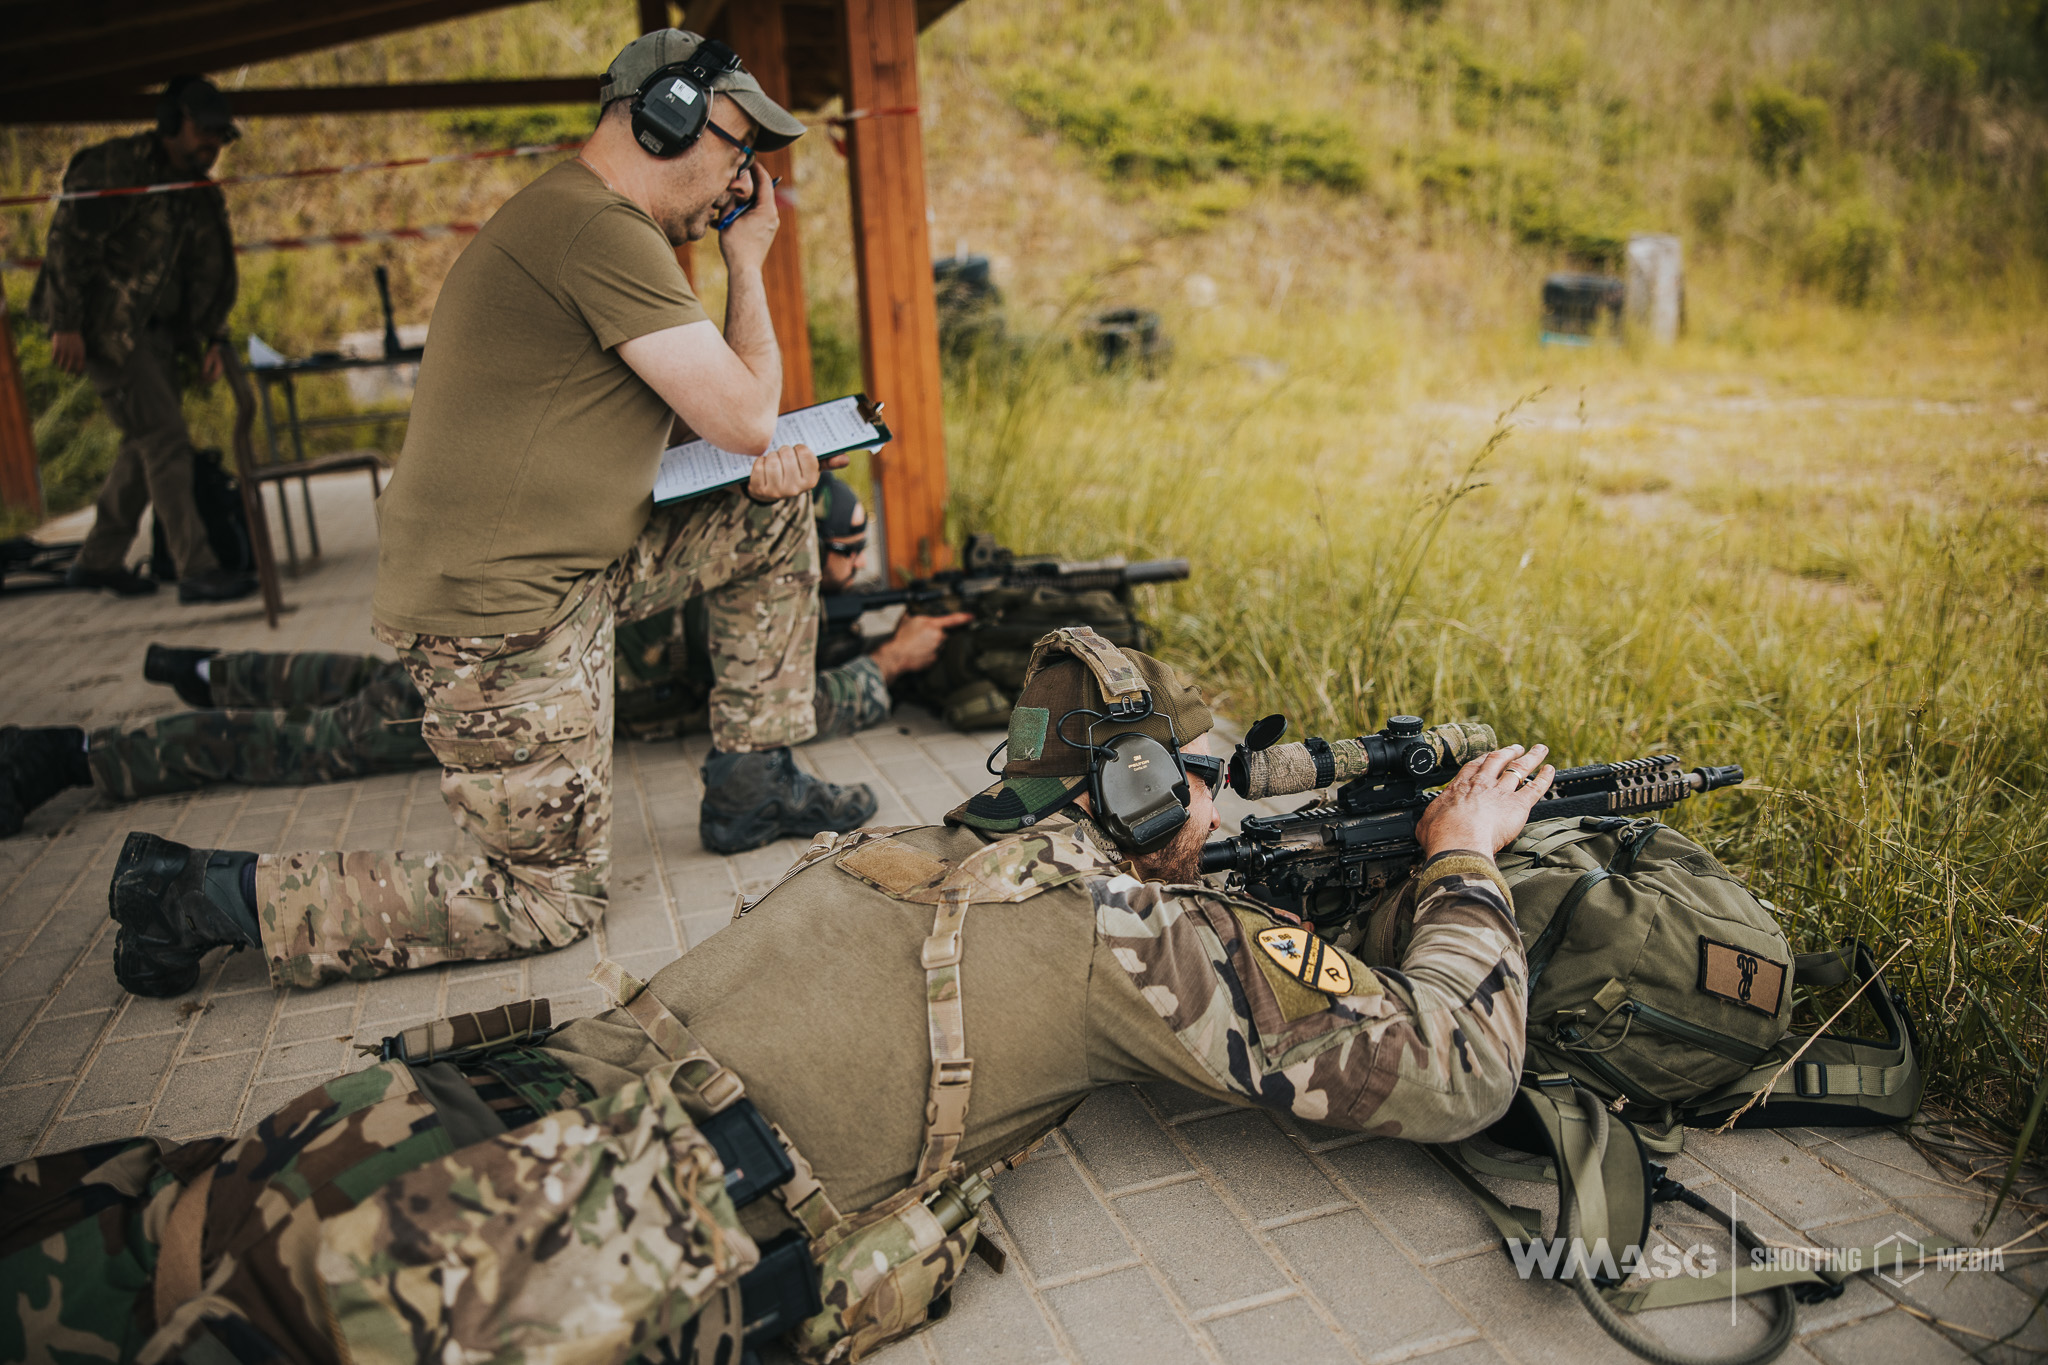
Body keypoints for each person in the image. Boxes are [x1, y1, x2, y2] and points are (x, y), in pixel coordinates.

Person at [0, 629, 1552, 1364]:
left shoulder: (902, 843)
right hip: (504, 1252)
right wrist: (1463, 862)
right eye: (1202, 781)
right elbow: (1452, 1064)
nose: (1220, 805)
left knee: (117, 1242)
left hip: (411, 1121)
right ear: (1142, 797)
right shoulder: (1122, 941)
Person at [99, 29, 884, 999]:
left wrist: (751, 461)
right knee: (547, 900)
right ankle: (200, 894)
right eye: (735, 146)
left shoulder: (588, 224)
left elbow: (706, 426)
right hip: (499, 618)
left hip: (570, 570)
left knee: (771, 517)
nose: (740, 177)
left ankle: (753, 780)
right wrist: (749, 263)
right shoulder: (599, 230)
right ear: (666, 118)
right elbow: (746, 416)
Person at [0, 480, 971, 841]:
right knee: (313, 745)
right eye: (837, 555)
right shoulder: (738, 598)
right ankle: (76, 756)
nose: (846, 570)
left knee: (352, 681)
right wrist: (884, 668)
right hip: (505, 681)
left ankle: (204, 668)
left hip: (489, 631)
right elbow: (767, 693)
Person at [29, 75, 257, 604]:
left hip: (159, 339)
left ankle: (97, 560)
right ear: (172, 123)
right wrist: (66, 323)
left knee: (144, 443)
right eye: (205, 132)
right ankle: (196, 565)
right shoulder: (114, 168)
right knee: (166, 440)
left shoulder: (198, 191)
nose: (213, 146)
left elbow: (210, 271)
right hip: (106, 334)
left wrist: (212, 338)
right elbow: (68, 243)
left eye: (221, 137)